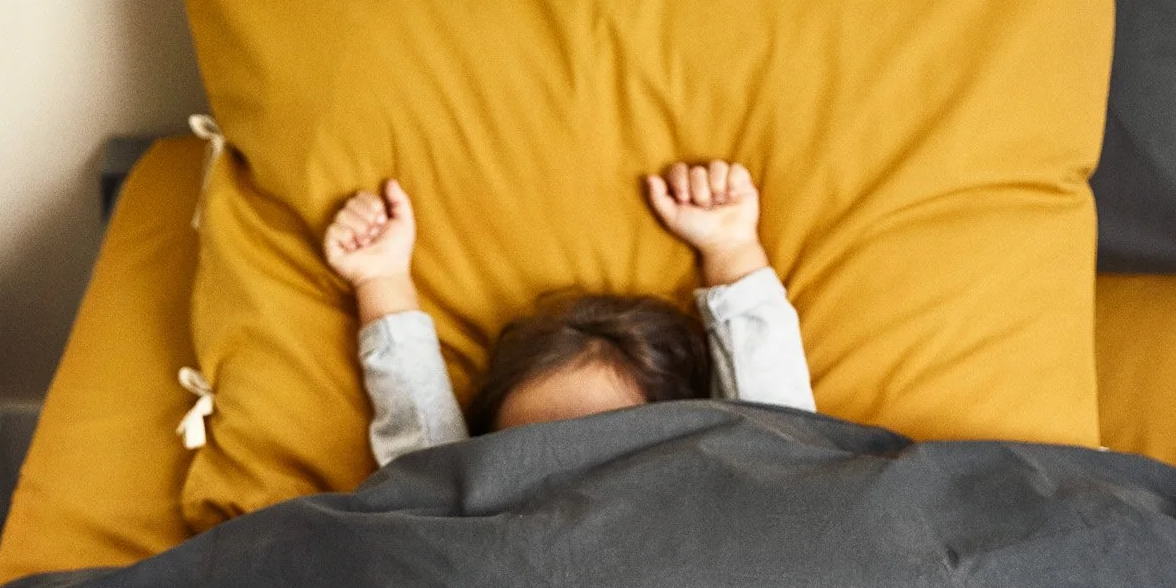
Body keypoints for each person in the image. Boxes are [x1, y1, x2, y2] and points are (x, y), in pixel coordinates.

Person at [321, 160, 816, 464]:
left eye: (603, 452)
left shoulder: (732, 497)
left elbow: (778, 445)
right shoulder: (474, 519)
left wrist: (731, 249)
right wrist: (380, 277)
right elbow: (430, 481)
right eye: (530, 458)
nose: (570, 476)